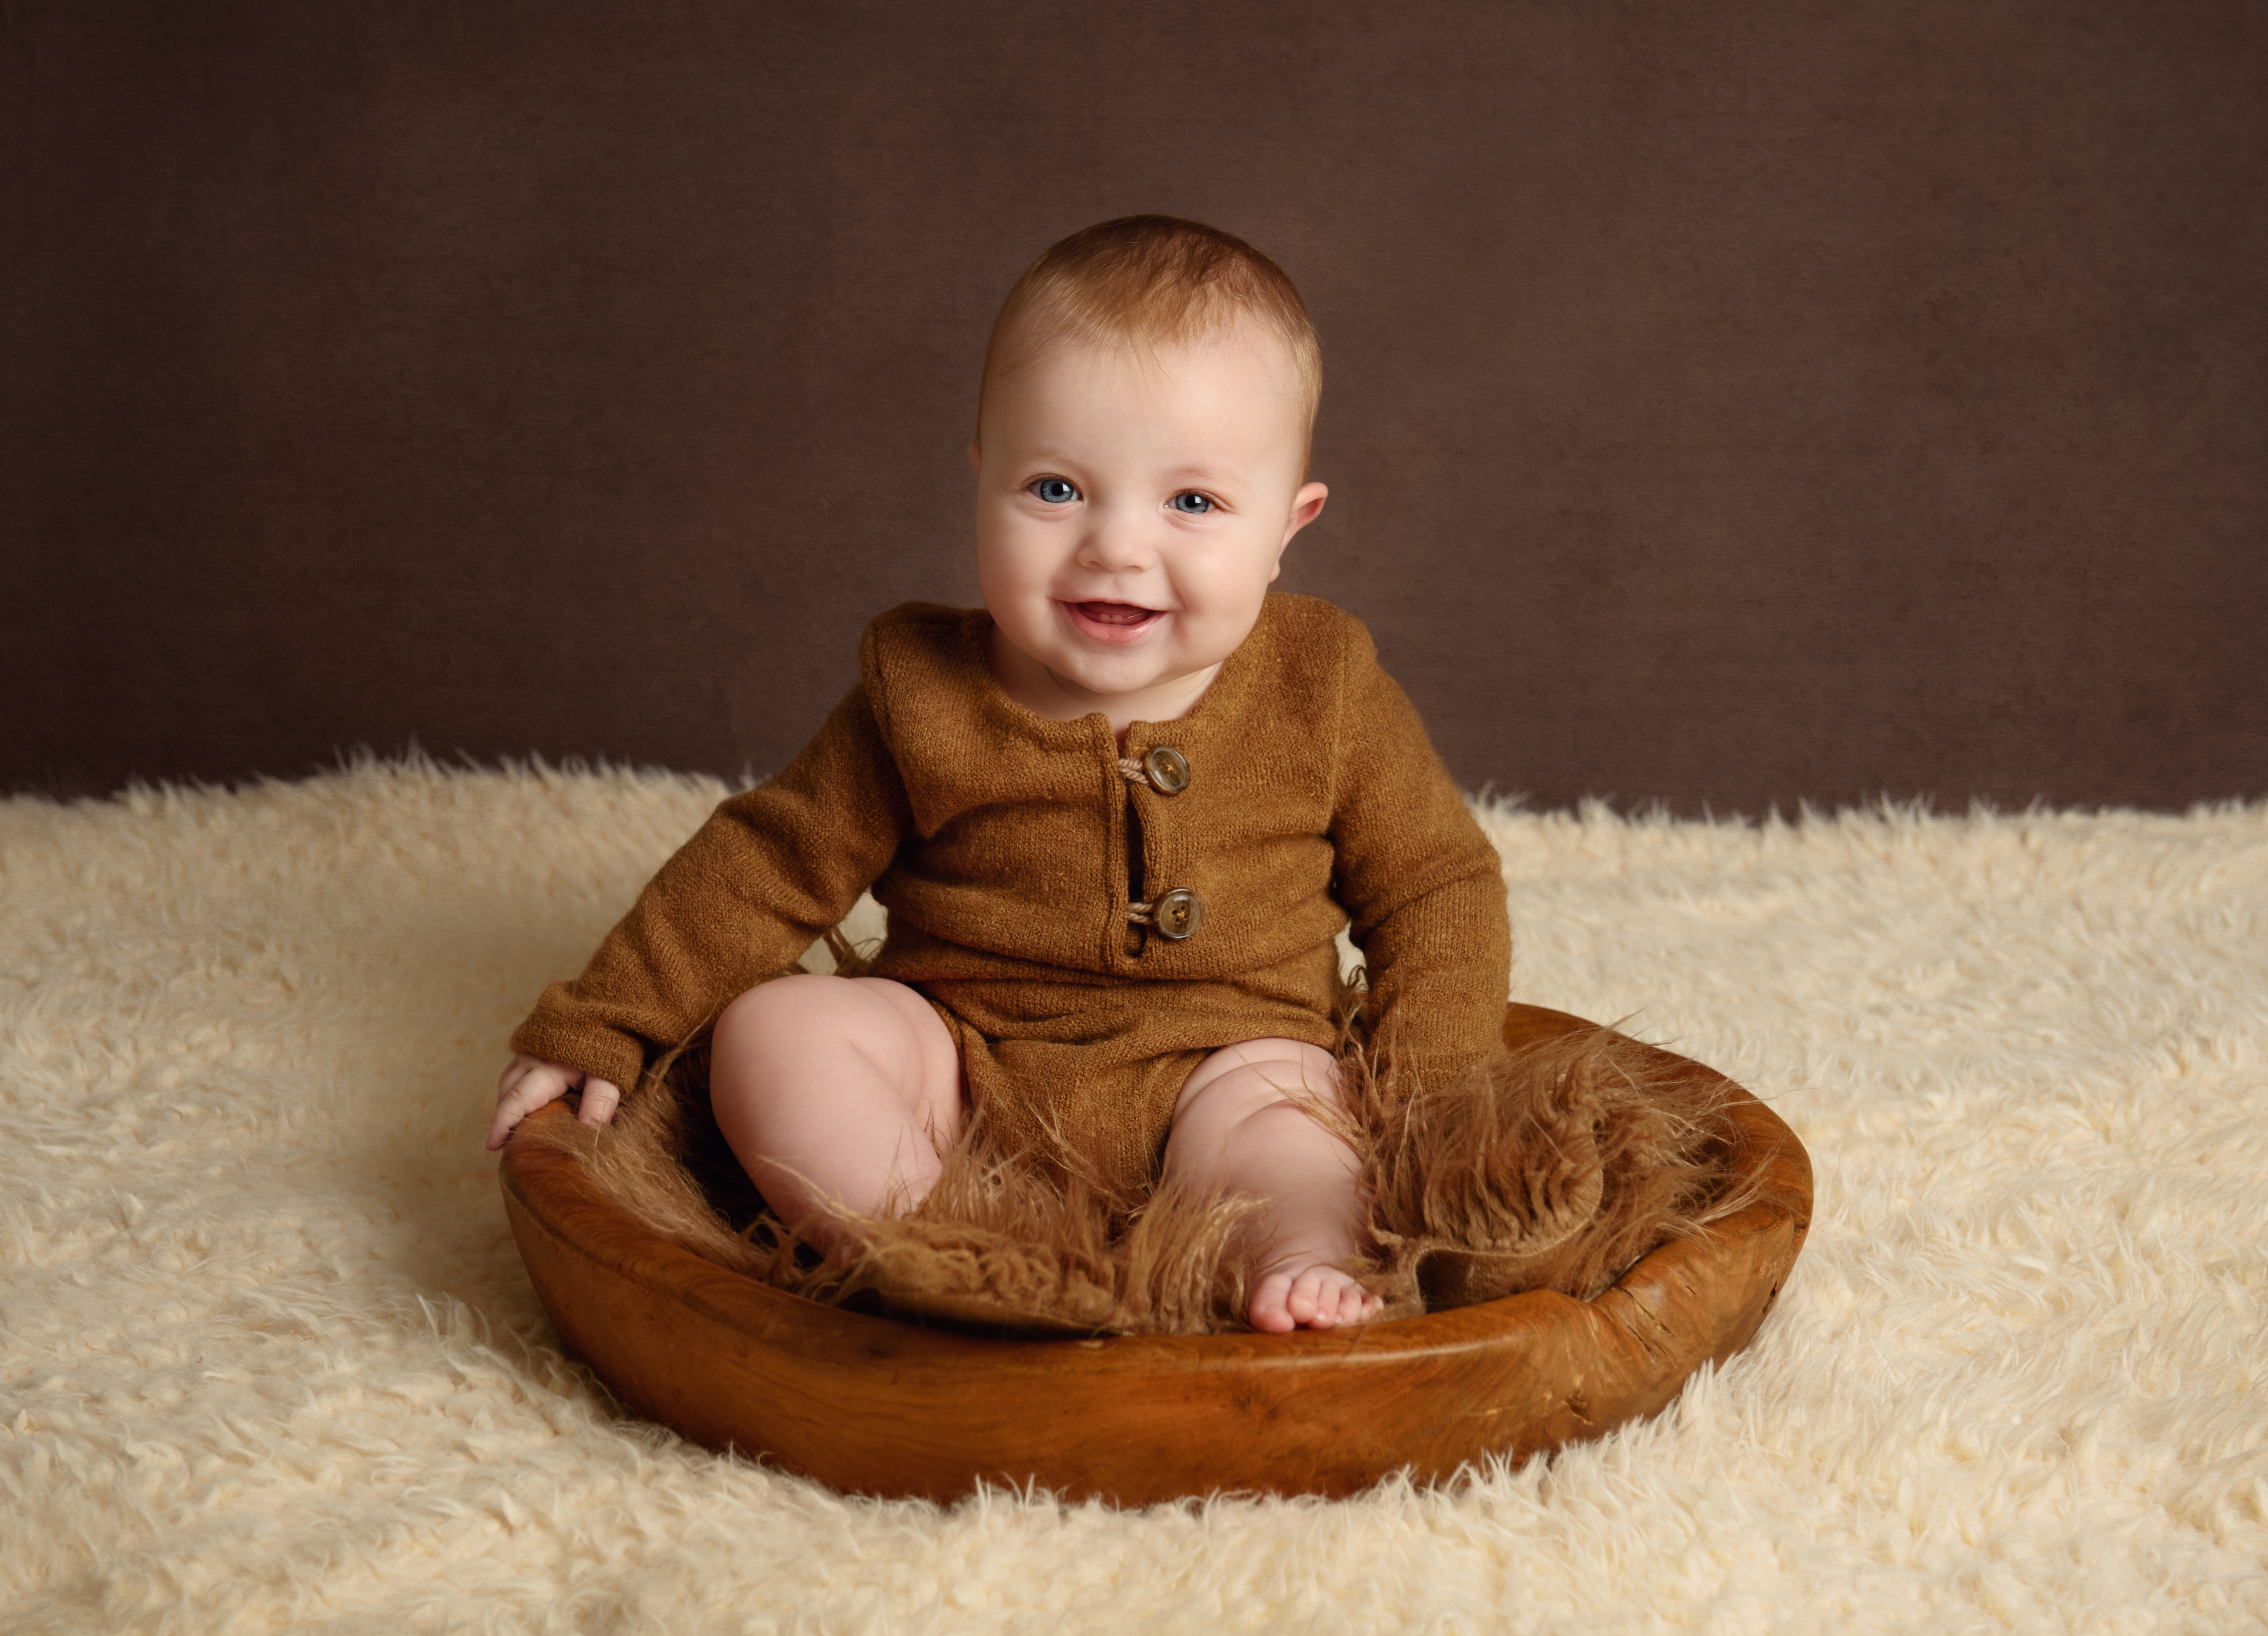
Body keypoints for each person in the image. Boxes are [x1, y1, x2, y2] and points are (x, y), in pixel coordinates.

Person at [486, 215, 1510, 1334]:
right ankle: (933, 1236)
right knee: (776, 1033)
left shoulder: (1325, 685)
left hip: (1225, 1059)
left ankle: (1297, 1256)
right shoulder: (922, 690)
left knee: (1297, 1120)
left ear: (1287, 527)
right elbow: (768, 862)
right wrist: (610, 1018)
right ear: (979, 483)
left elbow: (1435, 885)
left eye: (1194, 504)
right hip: (959, 1066)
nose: (1117, 547)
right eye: (1058, 490)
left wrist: (1435, 1096)